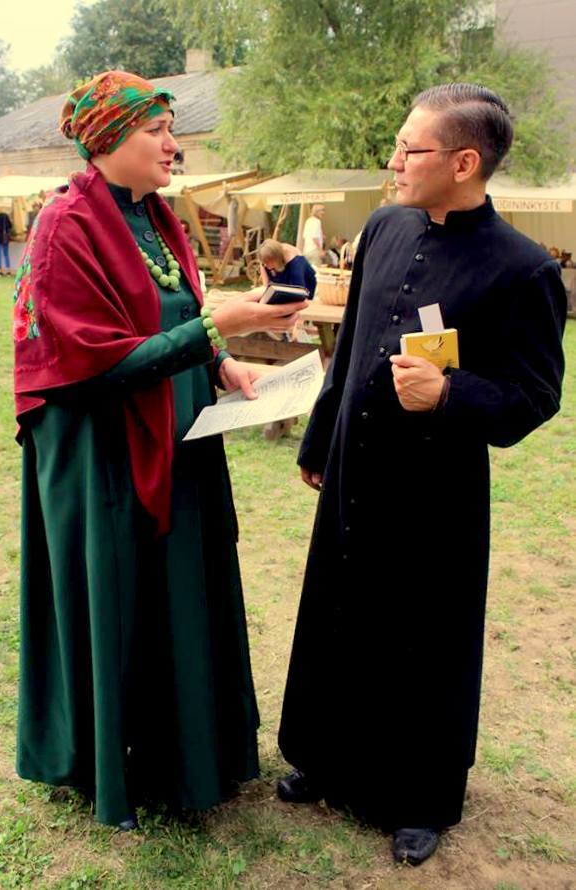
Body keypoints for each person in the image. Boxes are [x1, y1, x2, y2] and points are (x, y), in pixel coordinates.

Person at [277, 83, 566, 866]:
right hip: (354, 467)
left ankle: (420, 797)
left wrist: (449, 393)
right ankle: (323, 757)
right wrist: (320, 439)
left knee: (423, 641)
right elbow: (352, 345)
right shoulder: (384, 226)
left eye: (412, 149)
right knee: (338, 611)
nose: (396, 161)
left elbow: (535, 397)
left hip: (436, 494)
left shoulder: (525, 270)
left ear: (464, 162)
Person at [13, 70, 307, 830]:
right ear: (109, 139)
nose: (174, 145)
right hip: (103, 450)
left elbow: (174, 316)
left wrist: (223, 361)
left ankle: (189, 754)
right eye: (157, 131)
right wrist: (215, 329)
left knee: (178, 586)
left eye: (172, 129)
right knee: (124, 594)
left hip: (177, 433)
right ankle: (122, 764)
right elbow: (89, 362)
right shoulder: (65, 227)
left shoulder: (159, 219)